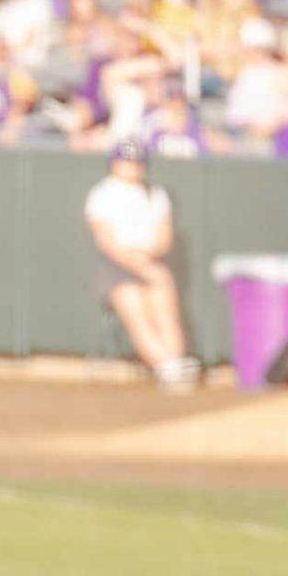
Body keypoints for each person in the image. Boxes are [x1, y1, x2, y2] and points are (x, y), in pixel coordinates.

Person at [84, 142, 200, 392]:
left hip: (150, 260)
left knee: (165, 311)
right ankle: (167, 367)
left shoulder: (155, 194)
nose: (132, 167)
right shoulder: (102, 194)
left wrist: (147, 262)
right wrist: (141, 266)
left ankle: (174, 364)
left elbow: (163, 237)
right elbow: (108, 242)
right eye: (126, 161)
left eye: (137, 162)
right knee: (137, 313)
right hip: (117, 267)